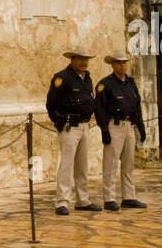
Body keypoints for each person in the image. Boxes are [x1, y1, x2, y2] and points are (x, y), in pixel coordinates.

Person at [46, 46, 101, 215]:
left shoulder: (87, 78)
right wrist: (59, 122)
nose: (84, 62)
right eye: (80, 59)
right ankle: (62, 201)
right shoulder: (62, 78)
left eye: (86, 59)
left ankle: (82, 200)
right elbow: (51, 104)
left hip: (85, 125)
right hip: (70, 126)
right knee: (67, 165)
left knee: (82, 165)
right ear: (72, 60)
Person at [95, 50, 147, 211]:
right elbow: (99, 109)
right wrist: (104, 129)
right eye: (119, 62)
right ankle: (109, 198)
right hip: (114, 126)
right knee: (110, 165)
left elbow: (136, 104)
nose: (122, 65)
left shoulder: (130, 83)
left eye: (124, 62)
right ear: (112, 65)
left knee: (128, 164)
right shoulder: (106, 84)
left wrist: (140, 125)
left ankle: (129, 197)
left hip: (129, 126)